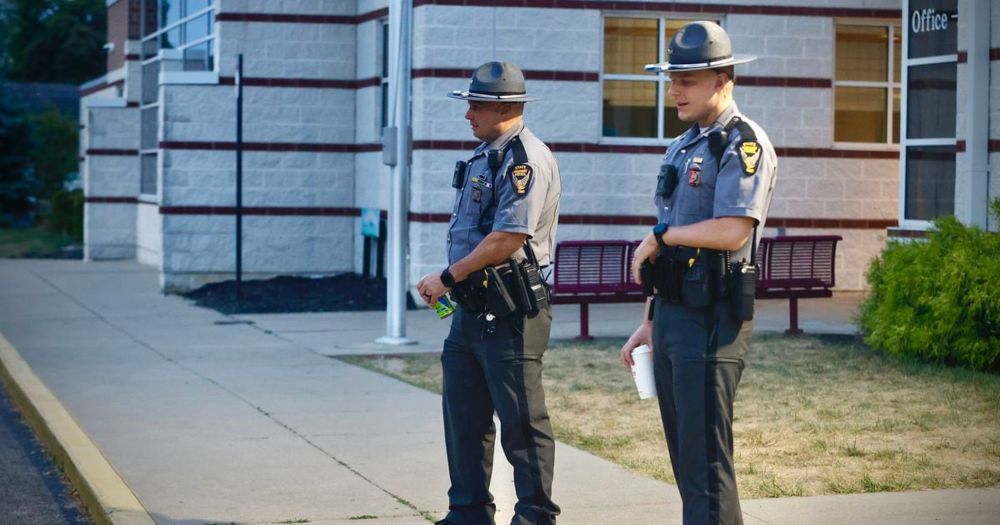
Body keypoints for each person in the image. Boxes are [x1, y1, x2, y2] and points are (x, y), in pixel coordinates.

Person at [620, 21, 777, 525]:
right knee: (688, 458)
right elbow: (672, 239)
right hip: (673, 317)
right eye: (673, 78)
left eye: (687, 79)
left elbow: (733, 230)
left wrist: (661, 237)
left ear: (722, 79)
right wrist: (649, 321)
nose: (676, 90)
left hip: (713, 319)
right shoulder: (684, 144)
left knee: (707, 462)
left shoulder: (742, 142)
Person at [416, 61, 562, 525]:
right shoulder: (486, 154)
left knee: (522, 425)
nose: (468, 115)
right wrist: (453, 283)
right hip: (471, 308)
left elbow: (508, 238)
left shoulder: (524, 159)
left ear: (504, 107)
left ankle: (536, 517)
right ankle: (468, 514)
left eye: (475, 105)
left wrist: (447, 276)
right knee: (464, 417)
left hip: (513, 310)